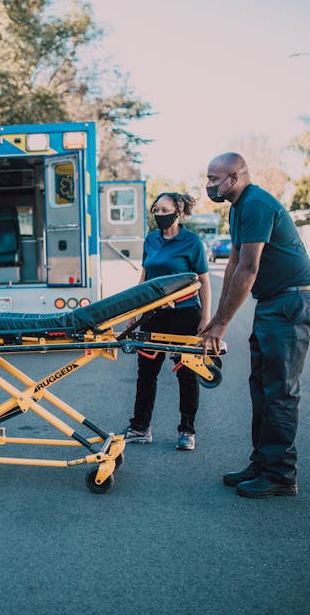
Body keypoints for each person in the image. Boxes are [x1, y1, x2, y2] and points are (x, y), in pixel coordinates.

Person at [198, 152, 310, 499]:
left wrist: (222, 325)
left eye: (213, 179)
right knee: (262, 387)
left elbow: (249, 269)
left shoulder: (255, 204)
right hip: (275, 302)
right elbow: (234, 266)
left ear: (234, 178)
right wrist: (214, 321)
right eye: (207, 178)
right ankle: (263, 464)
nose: (209, 185)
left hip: (292, 301)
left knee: (279, 390)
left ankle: (281, 475)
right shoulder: (238, 207)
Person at [123, 192, 212, 451]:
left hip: (184, 314)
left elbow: (203, 281)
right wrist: (133, 309)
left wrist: (206, 318)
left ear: (179, 212)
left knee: (186, 372)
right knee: (147, 372)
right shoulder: (151, 239)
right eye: (156, 210)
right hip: (154, 314)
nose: (159, 215)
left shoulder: (192, 242)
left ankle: (187, 430)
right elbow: (145, 275)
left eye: (165, 210)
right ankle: (140, 427)